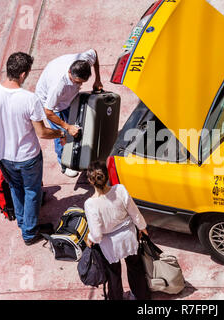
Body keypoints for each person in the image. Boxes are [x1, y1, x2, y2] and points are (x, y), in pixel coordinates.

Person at [0, 52, 66, 245]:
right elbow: (41, 133)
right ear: (23, 74)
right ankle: (30, 233)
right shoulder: (29, 99)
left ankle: (23, 222)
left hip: (3, 156)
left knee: (16, 188)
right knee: (32, 192)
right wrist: (61, 134)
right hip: (27, 157)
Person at [84, 160, 150, 300]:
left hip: (110, 245)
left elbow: (96, 234)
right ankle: (140, 295)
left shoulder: (90, 204)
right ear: (107, 176)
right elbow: (134, 212)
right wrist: (142, 227)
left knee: (113, 274)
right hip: (129, 238)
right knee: (135, 267)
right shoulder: (120, 190)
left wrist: (90, 239)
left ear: (90, 180)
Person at [35, 49, 103, 177]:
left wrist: (97, 79)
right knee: (63, 134)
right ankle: (64, 163)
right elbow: (48, 111)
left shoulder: (85, 59)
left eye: (82, 82)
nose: (80, 85)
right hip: (53, 106)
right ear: (69, 72)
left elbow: (94, 52)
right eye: (77, 82)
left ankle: (77, 153)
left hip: (67, 98)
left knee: (76, 125)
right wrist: (67, 127)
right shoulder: (58, 85)